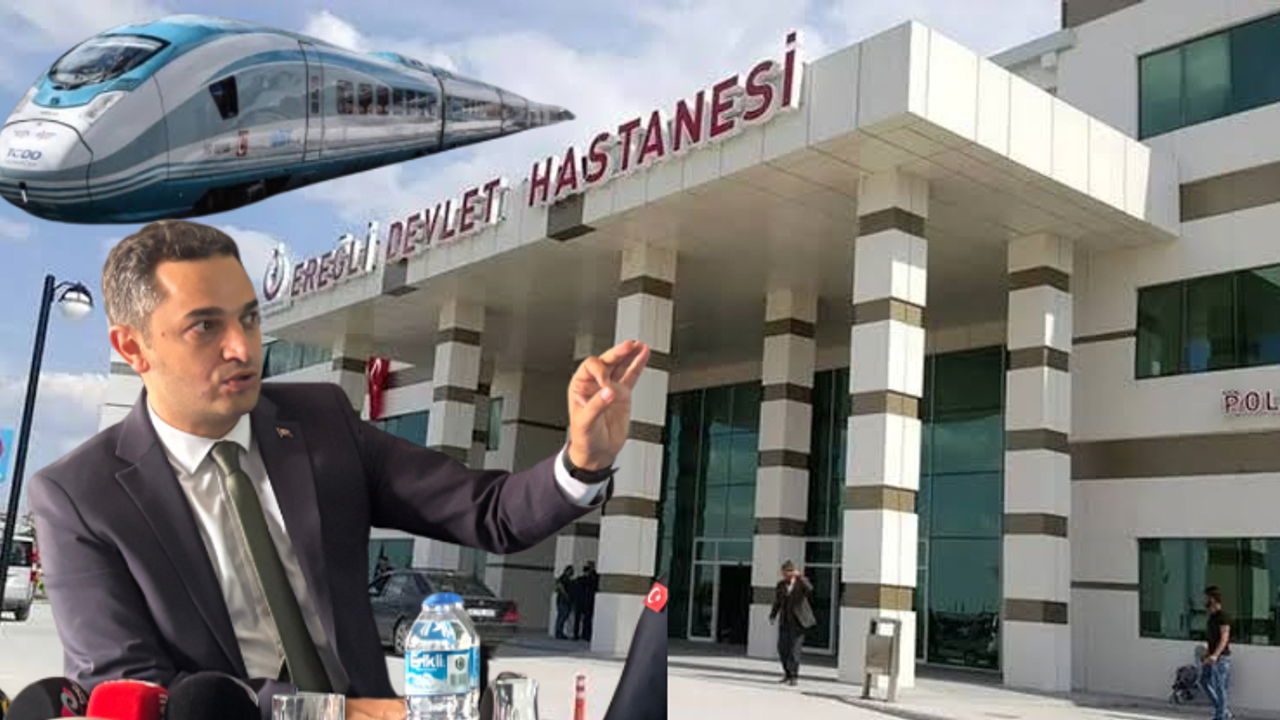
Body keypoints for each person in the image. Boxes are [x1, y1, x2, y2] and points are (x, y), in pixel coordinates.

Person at [29, 221, 651, 720]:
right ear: (133, 347)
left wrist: (584, 459)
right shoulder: (78, 496)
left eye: (249, 317)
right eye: (205, 326)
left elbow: (488, 512)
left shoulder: (320, 422)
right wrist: (338, 714)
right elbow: (134, 693)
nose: (243, 348)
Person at [768, 560, 816, 685]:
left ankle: (794, 677)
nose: (785, 575)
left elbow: (810, 588)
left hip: (798, 622)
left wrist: (800, 576)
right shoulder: (780, 585)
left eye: (787, 572)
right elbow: (777, 602)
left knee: (794, 651)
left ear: (792, 571)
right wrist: (773, 615)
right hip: (785, 621)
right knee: (782, 649)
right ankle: (787, 674)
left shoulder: (801, 583)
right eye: (783, 572)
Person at [1200, 586, 1234, 720]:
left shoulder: (1223, 617)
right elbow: (1212, 639)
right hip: (1211, 656)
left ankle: (1220, 716)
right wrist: (1208, 653)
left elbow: (1224, 638)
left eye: (1206, 597)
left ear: (1212, 599)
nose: (1204, 600)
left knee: (1220, 688)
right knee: (1203, 681)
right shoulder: (1211, 617)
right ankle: (1223, 711)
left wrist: (1215, 655)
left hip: (1221, 658)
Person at [579, 560, 599, 642]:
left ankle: (587, 635)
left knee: (588, 619)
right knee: (586, 619)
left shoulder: (594, 576)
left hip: (590, 600)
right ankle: (585, 634)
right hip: (586, 600)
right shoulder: (588, 575)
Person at [554, 565, 576, 640]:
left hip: (564, 601)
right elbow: (560, 587)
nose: (572, 572)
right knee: (562, 617)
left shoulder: (567, 578)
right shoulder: (563, 578)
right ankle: (559, 633)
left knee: (562, 617)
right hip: (563, 601)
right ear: (567, 570)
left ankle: (559, 633)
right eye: (571, 571)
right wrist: (566, 595)